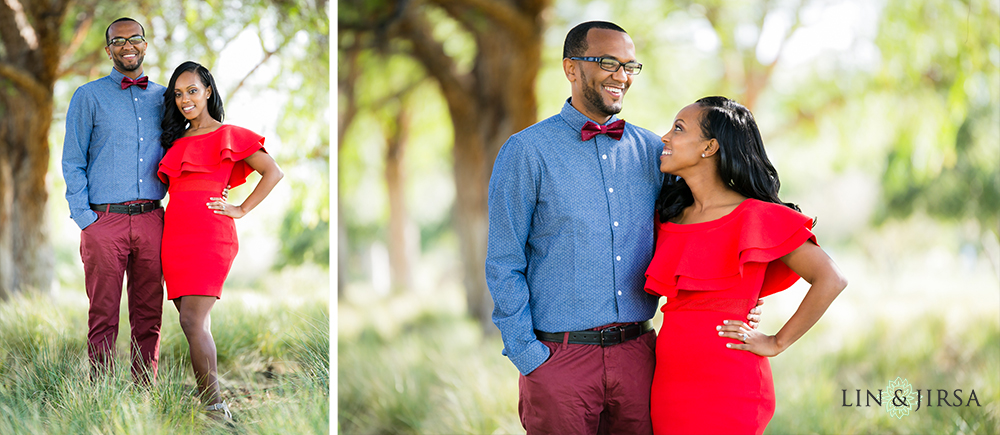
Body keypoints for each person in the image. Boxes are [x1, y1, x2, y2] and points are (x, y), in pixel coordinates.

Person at [485, 22, 761, 434]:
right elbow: (504, 261)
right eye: (608, 62)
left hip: (642, 359)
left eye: (630, 65)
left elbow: (702, 220)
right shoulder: (527, 152)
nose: (622, 75)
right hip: (559, 360)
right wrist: (529, 356)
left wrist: (740, 295)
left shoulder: (654, 152)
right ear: (571, 68)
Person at [645, 96, 848, 435]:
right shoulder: (669, 216)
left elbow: (831, 278)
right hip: (669, 383)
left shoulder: (757, 216)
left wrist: (776, 342)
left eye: (678, 129)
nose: (665, 137)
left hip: (731, 385)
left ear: (709, 147)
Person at [157, 61, 283, 419]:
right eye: (178, 94)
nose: (185, 100)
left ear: (208, 91)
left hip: (211, 235)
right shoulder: (174, 140)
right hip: (175, 237)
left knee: (191, 322)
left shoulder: (229, 134)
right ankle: (214, 404)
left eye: (192, 91)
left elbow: (273, 171)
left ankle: (215, 409)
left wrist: (242, 208)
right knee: (195, 322)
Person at [62, 17, 166, 385]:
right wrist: (84, 218)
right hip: (103, 221)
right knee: (103, 313)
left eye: (134, 38)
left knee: (149, 313)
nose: (127, 46)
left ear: (145, 45)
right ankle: (102, 392)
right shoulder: (87, 96)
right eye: (118, 41)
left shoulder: (166, 97)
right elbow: (72, 159)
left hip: (153, 220)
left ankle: (144, 389)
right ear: (108, 50)